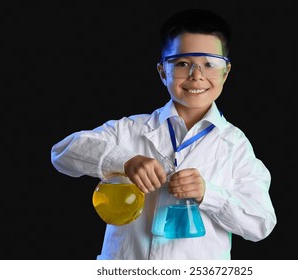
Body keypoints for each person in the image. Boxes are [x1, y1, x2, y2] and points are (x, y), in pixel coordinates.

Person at [51, 8, 276, 260]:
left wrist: (208, 194)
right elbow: (62, 153)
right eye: (182, 63)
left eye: (210, 64)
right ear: (162, 71)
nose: (197, 76)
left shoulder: (235, 145)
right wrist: (125, 161)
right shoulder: (131, 130)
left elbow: (261, 224)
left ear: (226, 72)